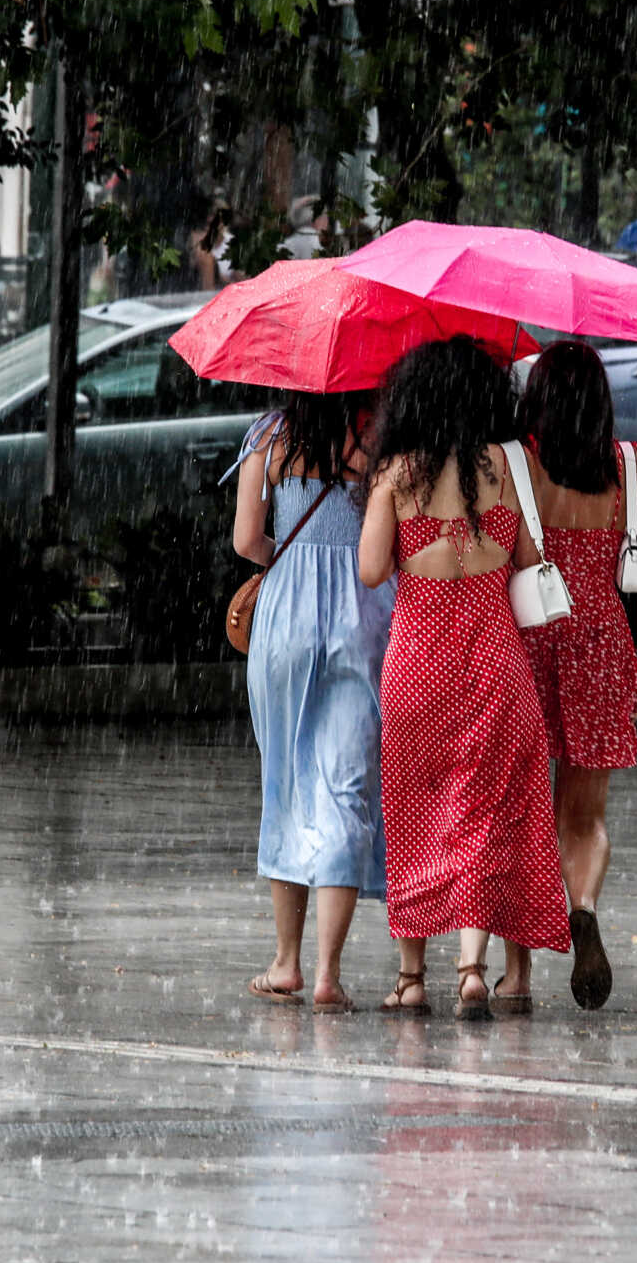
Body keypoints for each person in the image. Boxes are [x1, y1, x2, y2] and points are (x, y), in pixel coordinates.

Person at [357, 336, 568, 1020]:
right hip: (494, 661)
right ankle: (473, 969)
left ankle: (411, 976)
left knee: (415, 808)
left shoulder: (396, 473)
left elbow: (368, 570)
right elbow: (531, 558)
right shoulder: (511, 469)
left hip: (418, 664)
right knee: (484, 807)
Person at [495, 342, 637, 1013]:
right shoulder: (629, 466)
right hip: (601, 644)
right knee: (584, 816)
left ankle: (516, 975)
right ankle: (585, 903)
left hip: (530, 639)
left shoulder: (520, 465)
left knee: (520, 809)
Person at [232, 388, 396, 1012]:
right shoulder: (376, 441)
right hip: (364, 615)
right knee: (347, 788)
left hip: (285, 619)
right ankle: (329, 971)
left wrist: (290, 560)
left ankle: (286, 961)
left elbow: (247, 538)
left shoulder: (269, 438)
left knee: (286, 783)